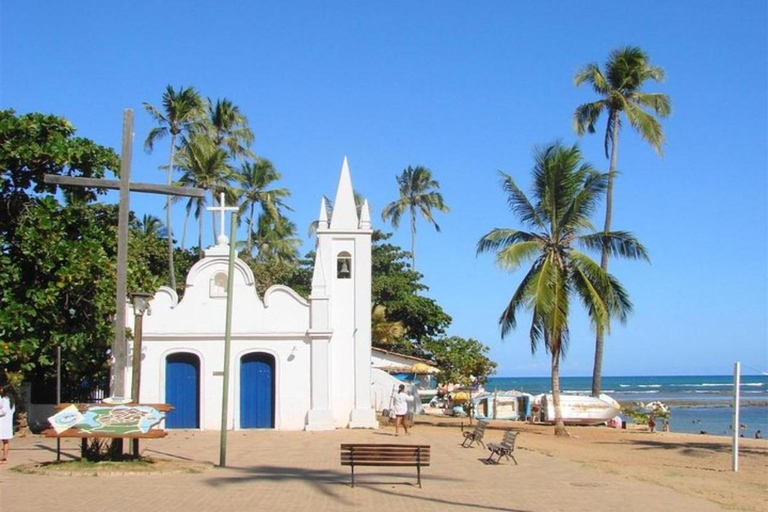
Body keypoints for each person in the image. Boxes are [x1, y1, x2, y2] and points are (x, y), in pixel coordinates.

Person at [0, 385, 15, 465]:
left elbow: (3, 411)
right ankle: (4, 458)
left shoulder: (5, 399)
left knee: (3, 441)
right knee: (6, 442)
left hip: (2, 423)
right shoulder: (12, 400)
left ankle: (3, 458)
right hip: (7, 423)